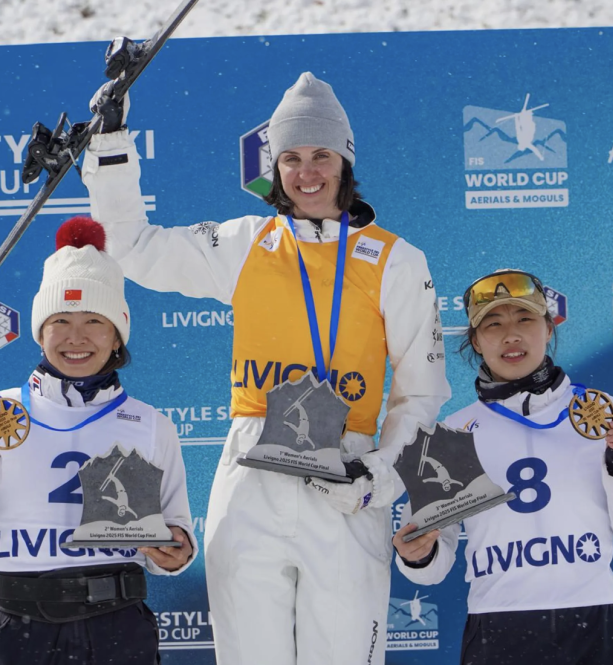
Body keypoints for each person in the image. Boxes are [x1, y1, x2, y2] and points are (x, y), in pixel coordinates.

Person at [80, 70, 450, 665]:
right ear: (274, 168)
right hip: (252, 469)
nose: (307, 172)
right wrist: (111, 148)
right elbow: (132, 247)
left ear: (346, 161)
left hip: (345, 477)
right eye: (291, 158)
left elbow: (420, 396)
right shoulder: (246, 243)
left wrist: (379, 475)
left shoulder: (396, 260)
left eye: (321, 155)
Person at [0, 217, 196, 665]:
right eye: (60, 320)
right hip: (23, 630)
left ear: (117, 335)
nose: (76, 337)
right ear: (39, 332)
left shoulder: (150, 425)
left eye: (94, 320)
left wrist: (174, 552)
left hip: (119, 627)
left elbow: (173, 540)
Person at [392, 269, 613, 665]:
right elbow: (431, 567)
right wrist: (418, 555)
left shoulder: (602, 413)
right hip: (498, 630)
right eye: (493, 323)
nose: (511, 335)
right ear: (475, 340)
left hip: (595, 625)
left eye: (525, 319)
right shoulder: (451, 434)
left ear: (548, 328)